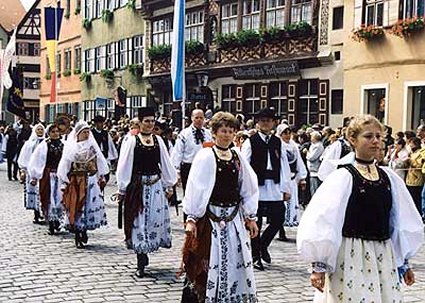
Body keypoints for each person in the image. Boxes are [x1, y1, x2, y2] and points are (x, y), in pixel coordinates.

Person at [297, 115, 424, 303]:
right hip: (350, 253)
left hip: (383, 253)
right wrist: (319, 265)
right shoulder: (343, 177)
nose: (375, 141)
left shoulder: (389, 178)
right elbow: (325, 219)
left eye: (378, 136)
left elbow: (399, 221)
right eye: (368, 136)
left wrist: (403, 263)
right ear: (353, 140)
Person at [182, 112, 259, 302]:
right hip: (211, 219)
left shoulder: (237, 156)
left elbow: (247, 187)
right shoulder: (206, 156)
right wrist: (192, 217)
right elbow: (196, 187)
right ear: (214, 133)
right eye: (223, 131)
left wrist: (250, 217)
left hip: (233, 221)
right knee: (207, 260)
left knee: (233, 260)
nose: (227, 135)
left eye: (231, 131)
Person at [116, 107, 177, 278]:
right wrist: (122, 188)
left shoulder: (158, 140)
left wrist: (169, 184)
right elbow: (125, 165)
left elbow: (165, 163)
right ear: (140, 122)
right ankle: (140, 258)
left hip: (156, 186)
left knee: (153, 220)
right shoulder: (132, 141)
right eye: (147, 121)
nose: (150, 124)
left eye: (152, 121)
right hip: (138, 186)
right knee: (139, 221)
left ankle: (148, 249)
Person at [241, 108, 291, 270]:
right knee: (256, 221)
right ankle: (256, 256)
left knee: (279, 218)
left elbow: (284, 165)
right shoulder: (251, 141)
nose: (266, 123)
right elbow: (245, 166)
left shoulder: (278, 142)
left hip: (274, 186)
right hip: (258, 187)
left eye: (269, 121)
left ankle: (263, 245)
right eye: (262, 120)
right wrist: (245, 188)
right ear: (257, 122)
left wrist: (286, 187)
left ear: (274, 123)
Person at [57, 121, 109, 248]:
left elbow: (100, 161)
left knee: (88, 205)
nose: (86, 134)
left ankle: (84, 229)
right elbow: (65, 164)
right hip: (76, 180)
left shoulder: (92, 146)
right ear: (78, 134)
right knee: (77, 205)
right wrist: (64, 180)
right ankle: (77, 233)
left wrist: (101, 175)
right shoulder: (71, 147)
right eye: (83, 132)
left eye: (87, 132)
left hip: (90, 179)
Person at [28, 124, 64, 235]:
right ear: (49, 133)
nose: (55, 133)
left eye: (57, 131)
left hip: (60, 175)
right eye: (53, 131)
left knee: (60, 198)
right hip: (48, 174)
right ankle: (51, 223)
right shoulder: (43, 146)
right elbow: (36, 160)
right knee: (49, 198)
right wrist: (34, 175)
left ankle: (58, 220)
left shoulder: (64, 145)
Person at [276, 124, 307, 229]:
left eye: (289, 133)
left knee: (292, 201)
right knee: (282, 204)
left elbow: (299, 161)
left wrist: (302, 178)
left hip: (292, 178)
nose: (288, 135)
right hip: (282, 179)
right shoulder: (278, 145)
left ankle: (288, 221)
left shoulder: (294, 146)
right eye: (285, 133)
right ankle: (280, 228)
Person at [17, 123, 46, 224]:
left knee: (43, 192)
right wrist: (23, 170)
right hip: (31, 172)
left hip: (43, 172)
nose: (40, 131)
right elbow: (24, 157)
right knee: (34, 192)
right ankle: (36, 214)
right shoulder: (29, 144)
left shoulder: (46, 143)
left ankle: (45, 213)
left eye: (41, 130)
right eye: (38, 130)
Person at [306, 131, 324, 196]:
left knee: (315, 191)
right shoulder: (313, 145)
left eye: (312, 136)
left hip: (315, 171)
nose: (310, 138)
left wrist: (307, 153)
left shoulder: (318, 146)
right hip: (312, 171)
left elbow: (311, 157)